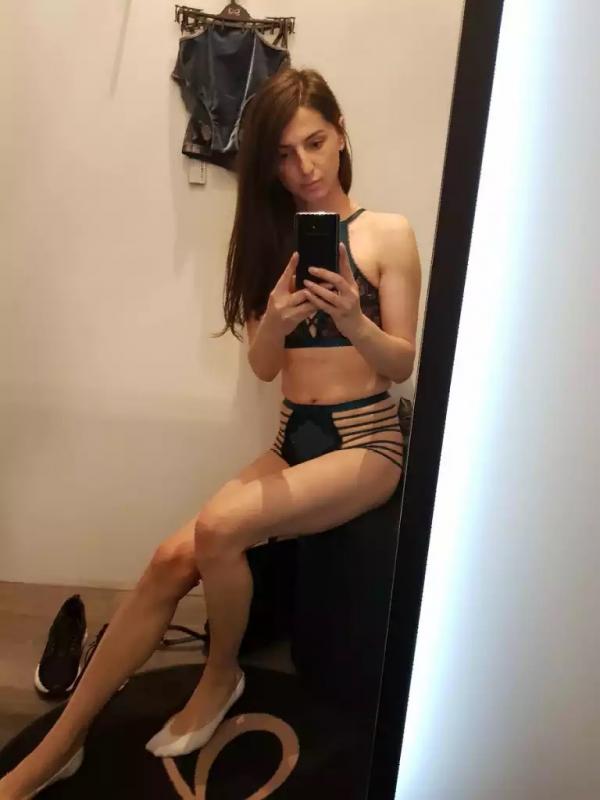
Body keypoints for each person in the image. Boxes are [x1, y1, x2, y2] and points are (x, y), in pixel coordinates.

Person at [0, 66, 421, 798]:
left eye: (315, 143)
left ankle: (220, 674)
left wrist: (354, 318)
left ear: (341, 133)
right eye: (284, 156)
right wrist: (278, 320)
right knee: (170, 558)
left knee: (220, 526)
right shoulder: (272, 241)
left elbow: (402, 361)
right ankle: (61, 744)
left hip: (366, 443)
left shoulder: (389, 234)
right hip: (295, 437)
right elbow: (265, 368)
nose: (304, 167)